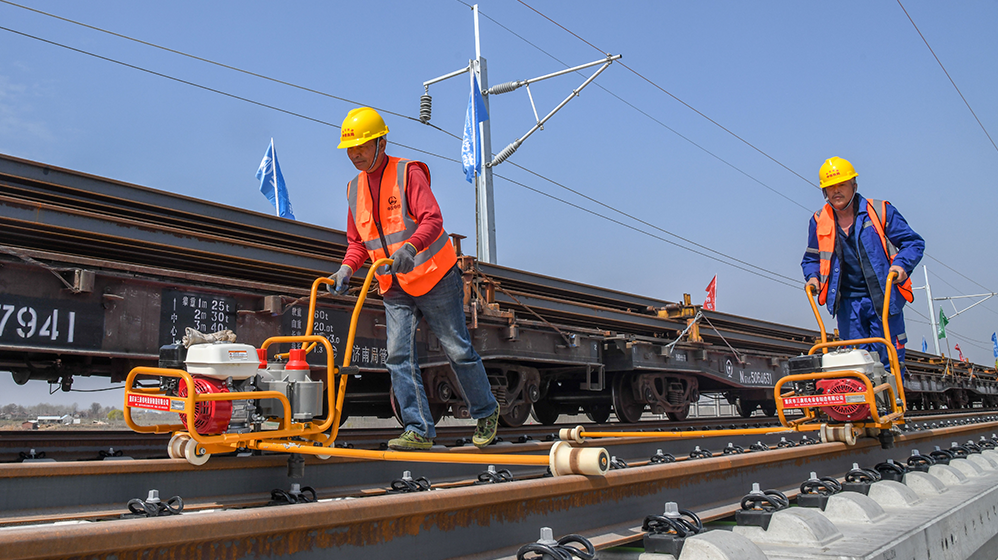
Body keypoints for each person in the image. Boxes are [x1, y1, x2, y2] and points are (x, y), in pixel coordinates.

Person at [328, 107, 499, 451]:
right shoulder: (353, 189)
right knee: (397, 356)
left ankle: (486, 411)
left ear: (381, 142)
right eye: (351, 148)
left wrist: (410, 247)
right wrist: (347, 267)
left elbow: (432, 220)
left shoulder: (408, 173)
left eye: (361, 146)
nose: (355, 154)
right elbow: (358, 242)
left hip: (434, 276)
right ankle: (418, 429)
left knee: (457, 349)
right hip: (394, 286)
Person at [801, 156, 924, 375]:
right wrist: (812, 277)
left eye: (842, 185)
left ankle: (892, 406)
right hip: (848, 306)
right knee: (855, 364)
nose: (836, 191)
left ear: (854, 186)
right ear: (824, 191)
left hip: (883, 299)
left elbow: (913, 243)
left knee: (890, 361)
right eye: (830, 188)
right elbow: (811, 258)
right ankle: (861, 408)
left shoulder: (880, 211)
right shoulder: (819, 220)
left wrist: (901, 267)